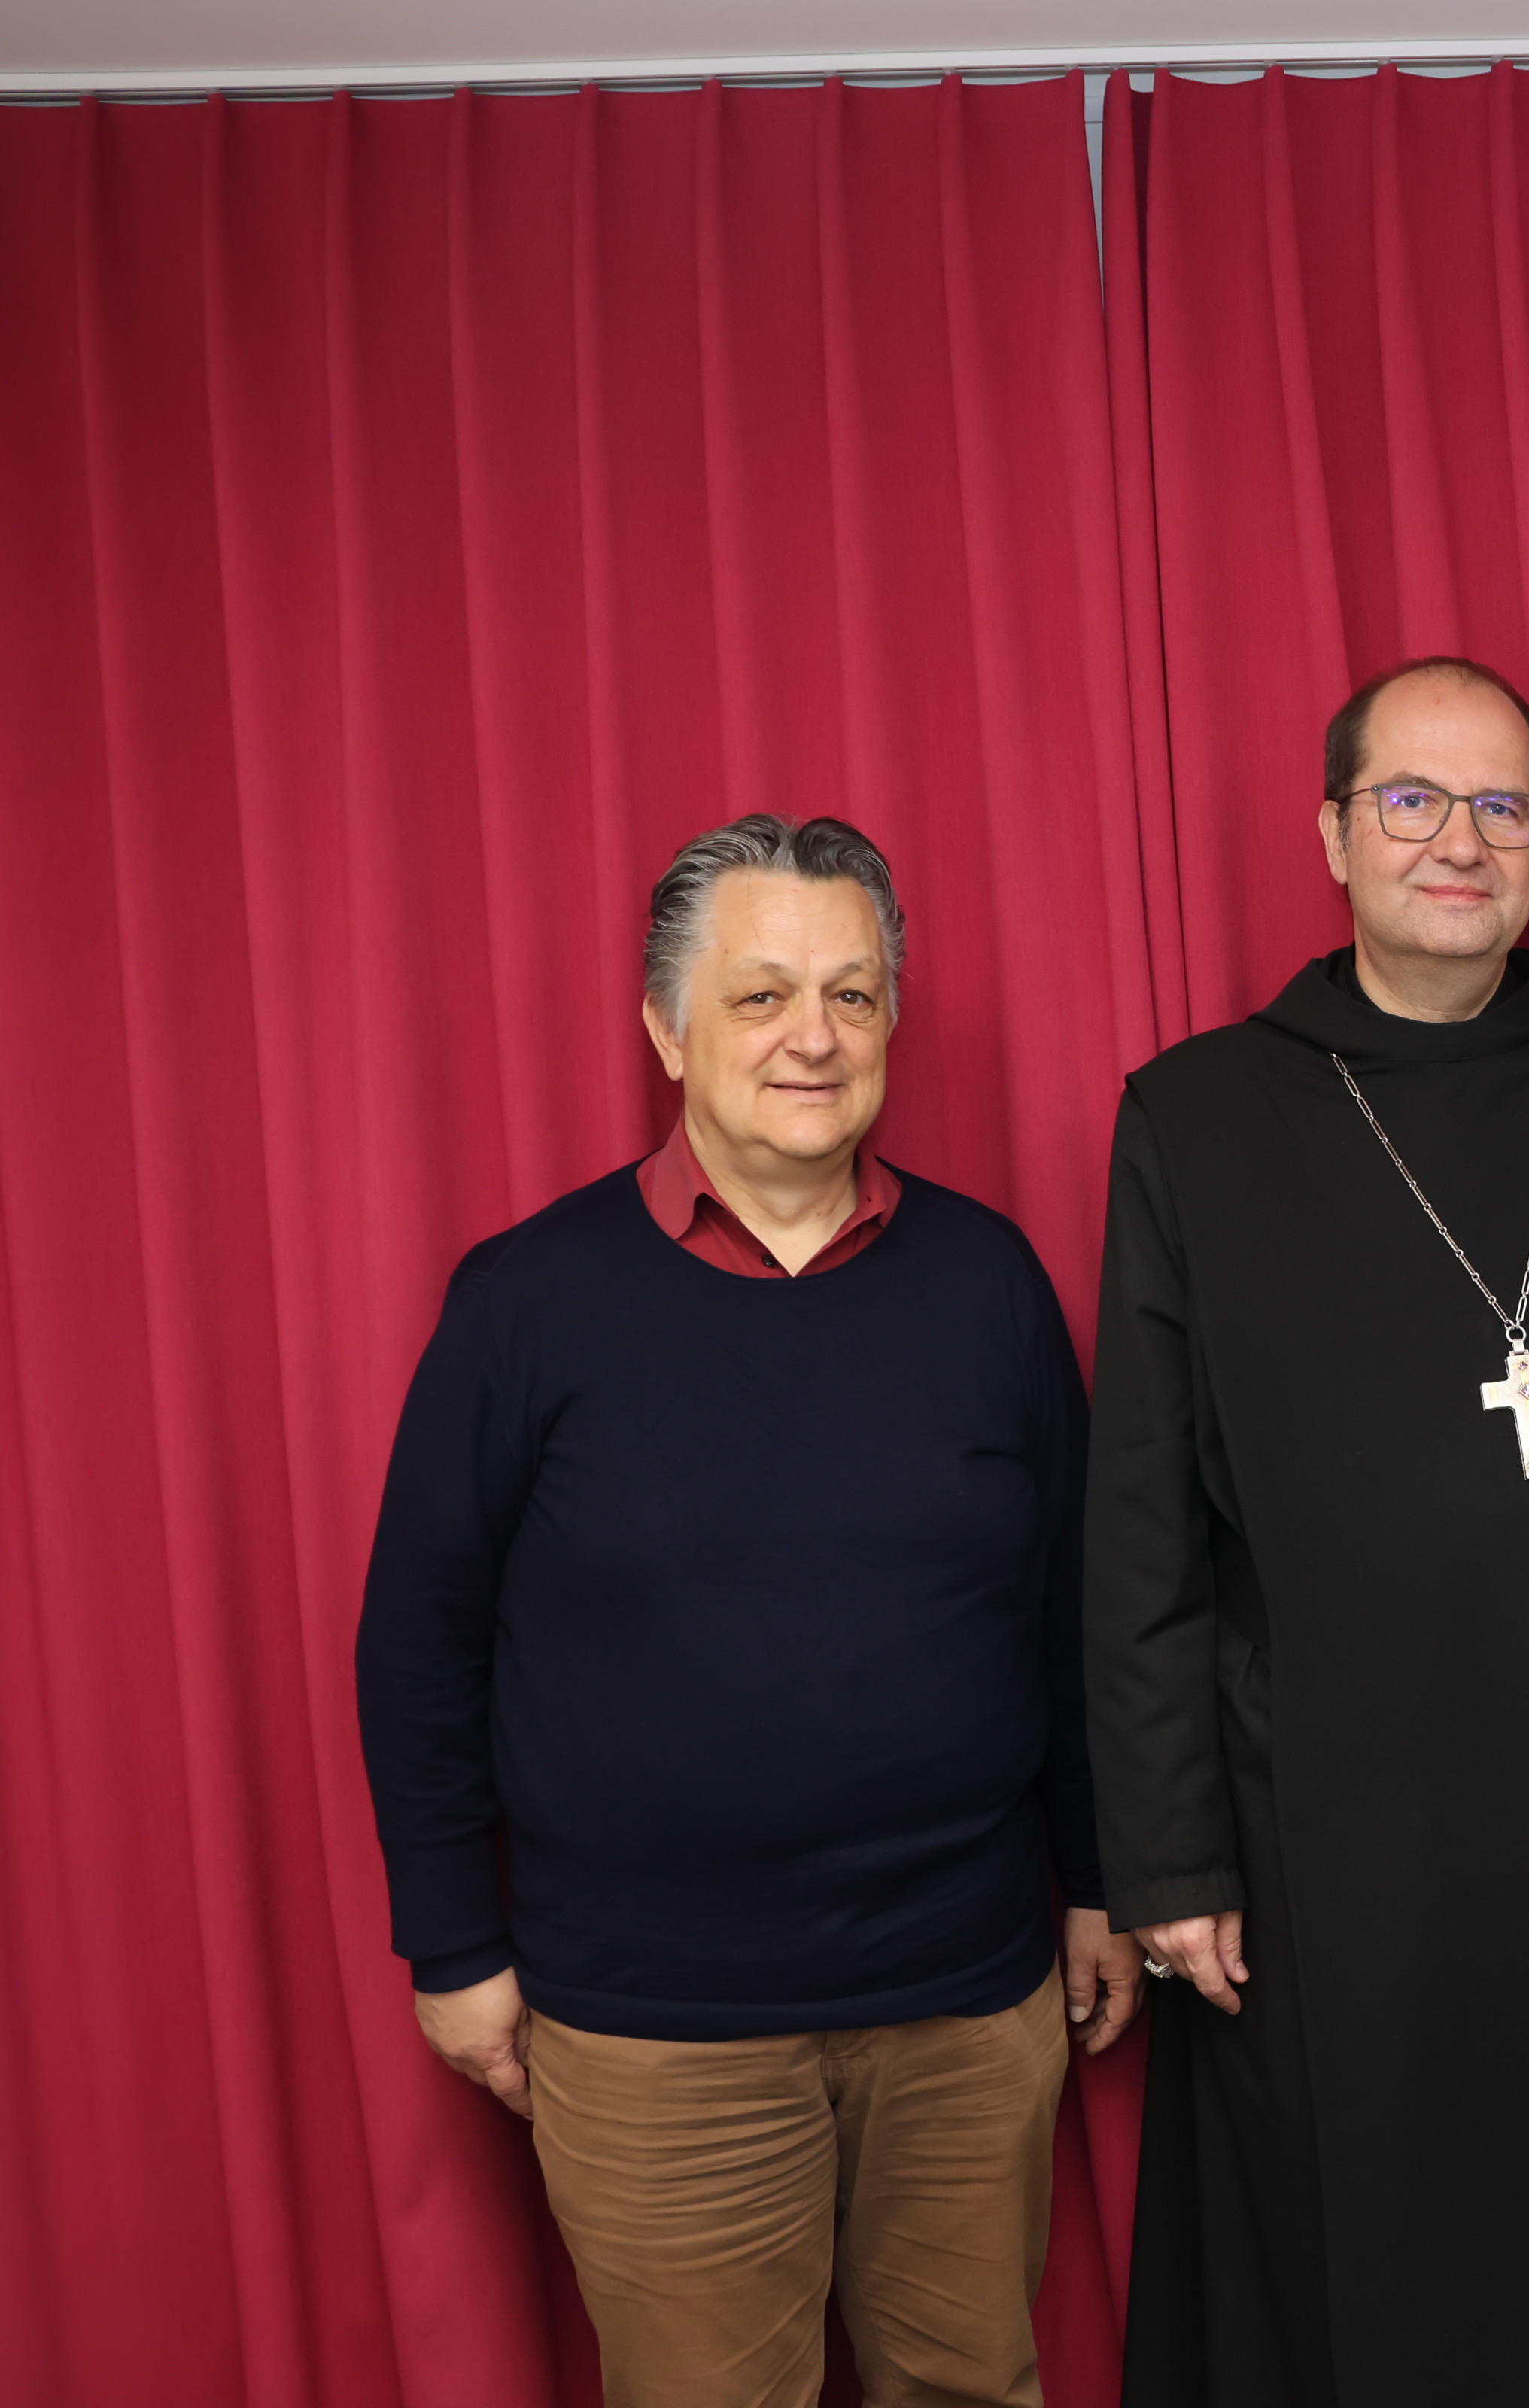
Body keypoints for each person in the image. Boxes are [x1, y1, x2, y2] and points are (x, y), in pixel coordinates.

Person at [1083, 656, 1529, 2407]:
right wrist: (1168, 1858)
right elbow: (1139, 1516)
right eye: (1412, 799)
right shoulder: (1195, 1114)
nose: (1458, 841)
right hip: (1327, 1836)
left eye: (1501, 805)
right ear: (1332, 832)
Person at [354, 813, 1135, 2408]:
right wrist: (452, 1942)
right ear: (665, 1027)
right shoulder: (527, 1301)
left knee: (974, 2387)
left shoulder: (988, 1282)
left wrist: (1100, 1880)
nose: (814, 1036)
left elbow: (1066, 1610)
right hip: (658, 2032)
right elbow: (420, 1636)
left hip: (967, 2002)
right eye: (763, 994)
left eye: (853, 995)